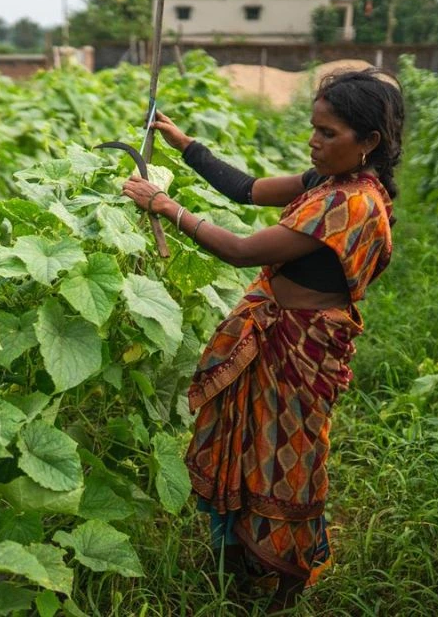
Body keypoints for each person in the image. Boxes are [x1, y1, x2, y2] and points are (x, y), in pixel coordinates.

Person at [122, 69, 403, 611]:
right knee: (252, 445)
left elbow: (243, 250)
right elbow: (247, 190)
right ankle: (240, 565)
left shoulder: (351, 203)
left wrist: (167, 208)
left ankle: (284, 576)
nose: (314, 143)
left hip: (298, 348)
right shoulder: (330, 182)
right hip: (275, 336)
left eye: (328, 134)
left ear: (368, 142)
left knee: (287, 461)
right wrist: (185, 146)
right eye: (314, 129)